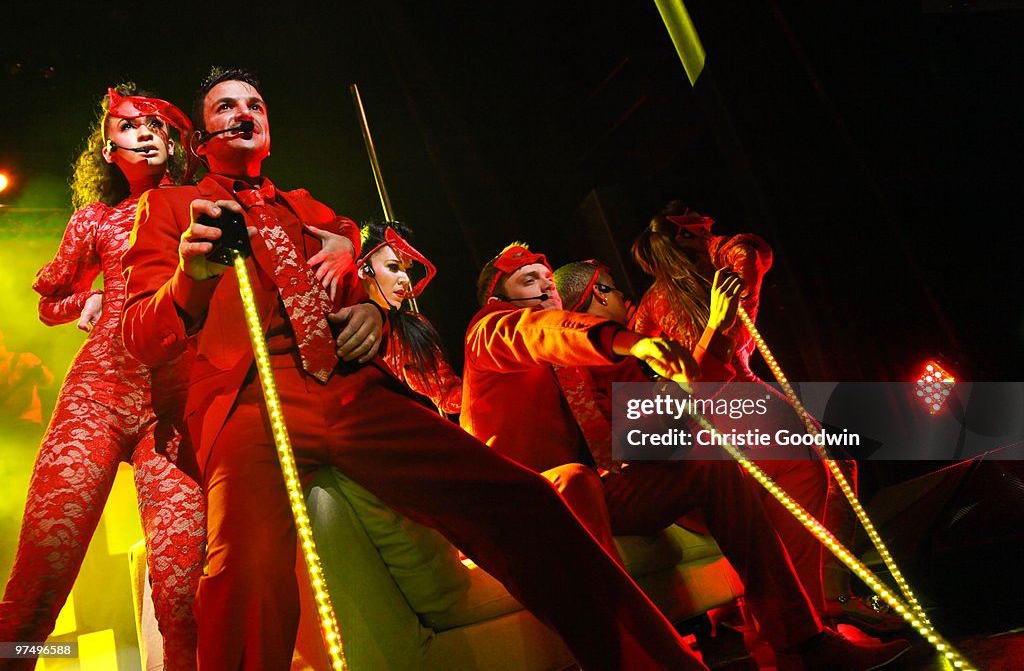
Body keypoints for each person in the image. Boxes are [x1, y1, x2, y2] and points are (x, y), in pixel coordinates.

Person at [120, 67, 712, 671]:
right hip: (250, 405)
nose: (244, 113)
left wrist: (370, 312)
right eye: (225, 107)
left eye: (256, 104)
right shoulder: (169, 208)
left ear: (269, 129)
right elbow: (140, 338)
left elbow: (363, 281)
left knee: (524, 501)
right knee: (242, 569)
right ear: (198, 140)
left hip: (353, 394)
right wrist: (189, 279)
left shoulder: (309, 209)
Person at [461, 243, 911, 671]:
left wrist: (712, 331)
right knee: (576, 479)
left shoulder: (591, 356)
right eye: (527, 281)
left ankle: (804, 643)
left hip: (597, 490)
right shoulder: (491, 331)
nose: (544, 287)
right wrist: (630, 342)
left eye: (547, 279)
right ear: (497, 298)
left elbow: (669, 413)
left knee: (720, 465)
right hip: (534, 501)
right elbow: (537, 334)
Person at [0, 86, 206, 670]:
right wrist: (83, 301)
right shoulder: (96, 219)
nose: (145, 133)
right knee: (38, 585)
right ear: (107, 147)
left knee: (181, 597)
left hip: (175, 400)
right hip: (98, 393)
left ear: (176, 141)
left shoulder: (202, 205)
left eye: (158, 125)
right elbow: (50, 301)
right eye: (129, 125)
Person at [631, 202, 904, 632]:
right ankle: (825, 602)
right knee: (826, 471)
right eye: (702, 229)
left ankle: (799, 609)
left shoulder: (647, 306)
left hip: (698, 420)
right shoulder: (722, 271)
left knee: (786, 494)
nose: (711, 233)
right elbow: (749, 250)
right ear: (684, 238)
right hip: (737, 396)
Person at [357, 221, 462, 414]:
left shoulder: (408, 331)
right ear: (364, 269)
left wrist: (489, 378)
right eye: (394, 267)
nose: (405, 279)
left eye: (407, 270)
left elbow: (447, 395)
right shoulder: (333, 309)